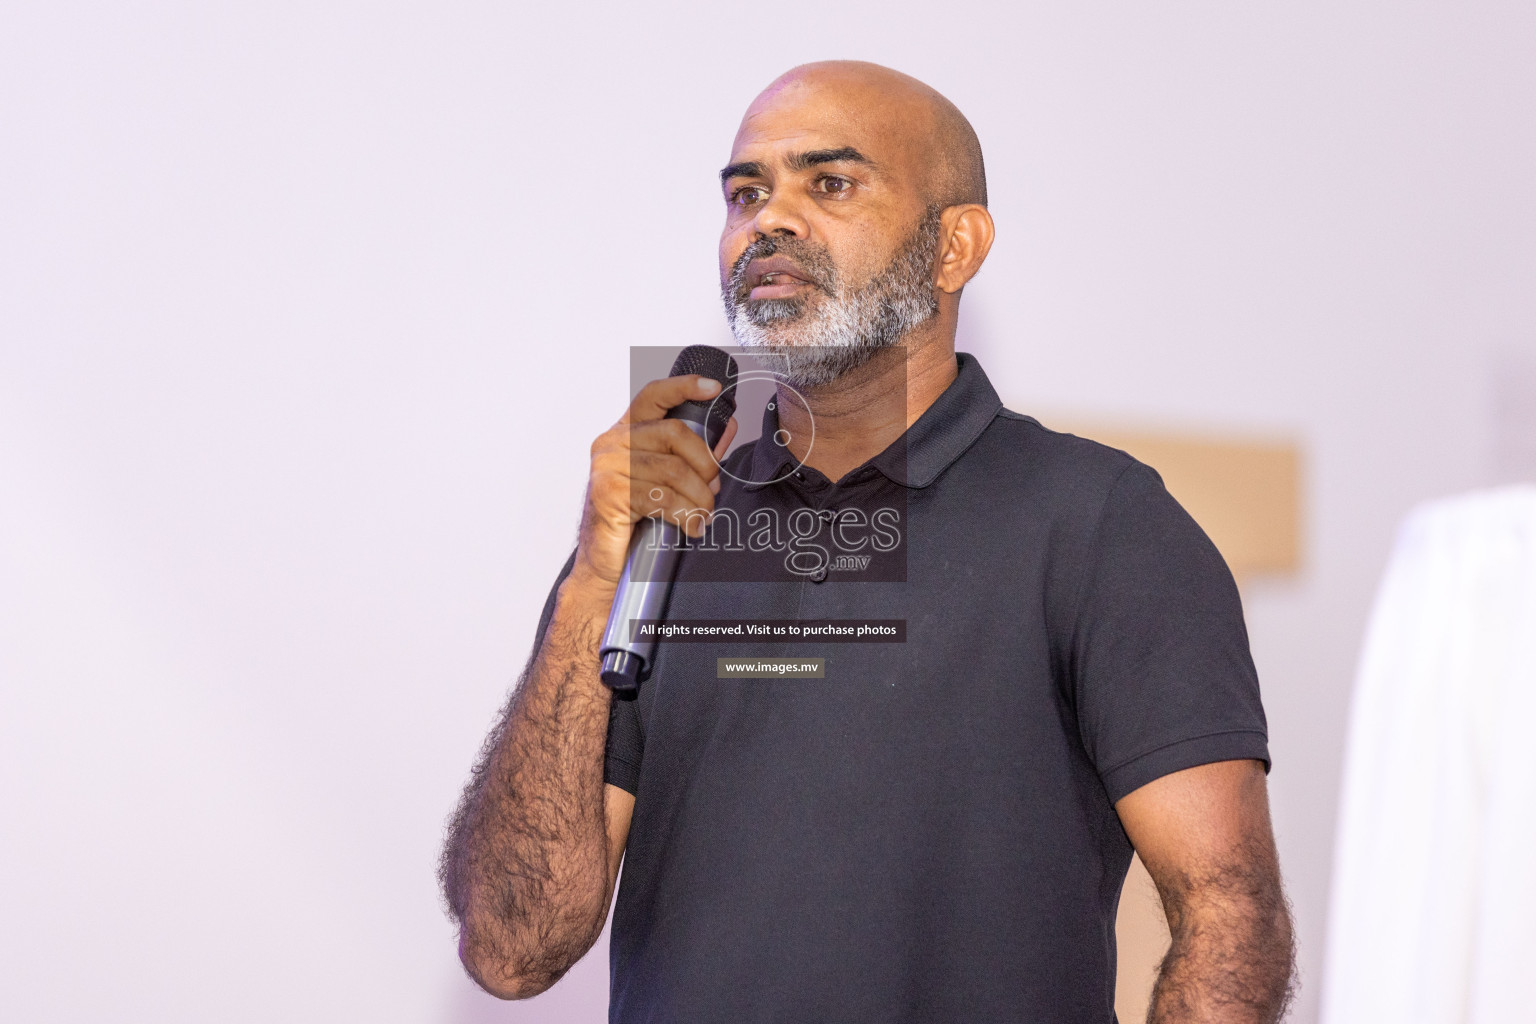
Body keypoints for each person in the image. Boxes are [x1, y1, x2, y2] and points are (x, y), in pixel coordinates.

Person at [440, 61, 1296, 1023]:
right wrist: (591, 588)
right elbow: (514, 950)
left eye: (830, 183)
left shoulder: (1100, 521)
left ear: (954, 245)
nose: (771, 219)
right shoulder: (663, 527)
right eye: (746, 192)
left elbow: (1230, 913)